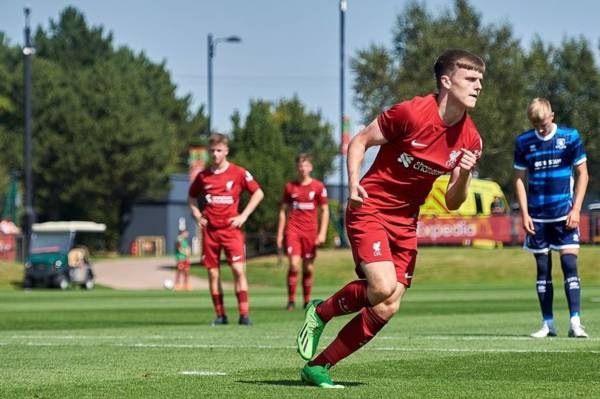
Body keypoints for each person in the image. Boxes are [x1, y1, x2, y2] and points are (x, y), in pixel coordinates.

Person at [296, 49, 485, 388]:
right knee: (381, 286)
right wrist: (353, 184)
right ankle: (321, 312)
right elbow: (360, 141)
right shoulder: (412, 112)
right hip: (370, 207)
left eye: (481, 79)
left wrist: (466, 174)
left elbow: (454, 202)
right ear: (446, 81)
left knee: (388, 305)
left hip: (405, 222)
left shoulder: (471, 139)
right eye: (470, 78)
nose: (478, 85)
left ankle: (318, 366)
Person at [514, 98, 589, 339]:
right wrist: (524, 214)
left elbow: (582, 174)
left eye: (544, 123)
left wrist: (576, 209)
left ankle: (575, 322)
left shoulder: (570, 137)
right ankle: (548, 324)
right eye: (536, 124)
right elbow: (519, 179)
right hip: (537, 216)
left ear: (552, 115)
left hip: (564, 214)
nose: (541, 128)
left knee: (569, 265)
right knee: (542, 269)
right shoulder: (524, 142)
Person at [188, 133, 264, 326]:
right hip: (211, 231)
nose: (215, 154)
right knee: (213, 274)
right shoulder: (203, 176)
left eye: (219, 150)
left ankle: (244, 314)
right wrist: (197, 214)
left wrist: (243, 216)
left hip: (231, 231)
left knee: (238, 270)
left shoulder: (238, 172)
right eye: (212, 150)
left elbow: (258, 193)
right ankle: (221, 315)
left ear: (226, 151)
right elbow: (191, 197)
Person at [276, 153, 329, 311]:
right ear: (297, 167)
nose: (303, 168)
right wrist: (280, 233)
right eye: (300, 165)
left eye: (306, 165)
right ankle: (291, 300)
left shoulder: (318, 187)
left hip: (310, 232)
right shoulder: (290, 187)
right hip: (293, 231)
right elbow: (282, 211)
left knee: (308, 268)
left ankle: (306, 300)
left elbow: (325, 210)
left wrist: (322, 233)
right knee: (293, 265)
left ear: (311, 167)